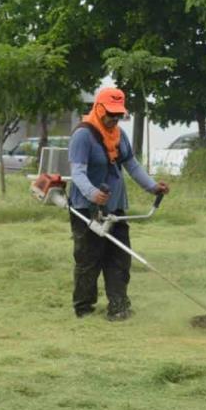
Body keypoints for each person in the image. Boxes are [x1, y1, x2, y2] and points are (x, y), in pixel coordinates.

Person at [68, 87, 169, 320]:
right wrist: (93, 194)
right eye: (110, 113)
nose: (114, 118)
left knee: (120, 259)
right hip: (87, 209)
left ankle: (118, 306)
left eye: (118, 114)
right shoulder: (83, 135)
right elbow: (78, 173)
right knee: (88, 260)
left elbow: (131, 165)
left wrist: (152, 187)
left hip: (115, 208)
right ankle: (84, 309)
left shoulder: (119, 135)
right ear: (99, 108)